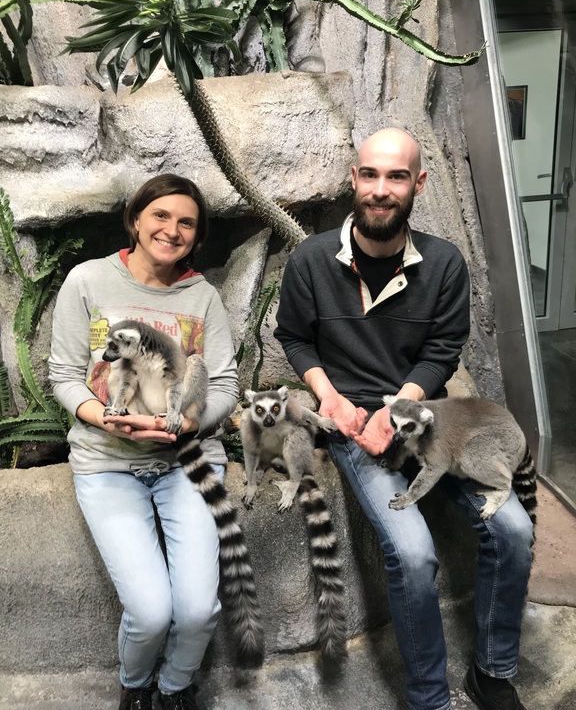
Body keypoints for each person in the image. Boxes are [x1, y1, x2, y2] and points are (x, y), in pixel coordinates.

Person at [274, 128, 534, 710]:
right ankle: (428, 698)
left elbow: (443, 349)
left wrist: (401, 406)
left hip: (429, 418)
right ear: (353, 180)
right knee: (413, 553)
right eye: (370, 175)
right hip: (353, 427)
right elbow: (292, 335)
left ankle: (491, 671)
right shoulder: (312, 259)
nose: (381, 189)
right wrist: (330, 397)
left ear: (418, 184)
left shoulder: (442, 263)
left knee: (514, 529)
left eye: (396, 177)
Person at [49, 174, 239, 710]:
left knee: (199, 609)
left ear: (196, 237)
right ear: (136, 219)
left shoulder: (201, 296)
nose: (171, 230)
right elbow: (64, 372)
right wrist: (102, 417)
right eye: (161, 216)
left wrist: (189, 423)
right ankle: (136, 685)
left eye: (186, 223)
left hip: (186, 459)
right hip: (108, 461)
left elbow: (221, 382)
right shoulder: (88, 281)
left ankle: (177, 686)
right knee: (152, 610)